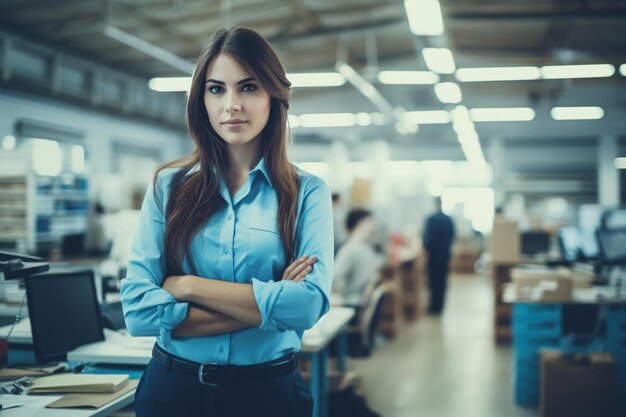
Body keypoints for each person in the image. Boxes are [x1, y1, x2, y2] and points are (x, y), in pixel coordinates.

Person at [120, 27, 333, 417]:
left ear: (274, 95)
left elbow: (306, 306)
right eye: (216, 89)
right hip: (174, 392)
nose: (231, 104)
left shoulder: (307, 193)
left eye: (248, 88)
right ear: (200, 99)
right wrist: (269, 307)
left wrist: (187, 286)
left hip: (267, 396)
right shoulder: (168, 188)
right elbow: (138, 312)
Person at [332, 208, 382, 306]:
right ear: (362, 223)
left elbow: (332, 278)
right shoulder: (367, 248)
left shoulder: (351, 248)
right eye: (371, 222)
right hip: (366, 304)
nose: (374, 226)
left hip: (353, 303)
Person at [422, 197, 455, 315]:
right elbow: (452, 236)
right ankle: (440, 307)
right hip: (445, 255)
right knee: (442, 282)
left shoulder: (431, 219)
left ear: (435, 204)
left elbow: (427, 239)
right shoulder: (448, 220)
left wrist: (426, 251)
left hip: (433, 256)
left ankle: (434, 307)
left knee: (433, 282)